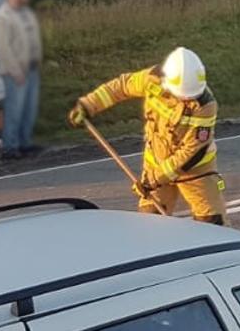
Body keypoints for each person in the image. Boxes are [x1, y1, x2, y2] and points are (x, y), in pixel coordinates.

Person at [68, 48, 228, 225]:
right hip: (156, 165)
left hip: (195, 172)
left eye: (190, 97)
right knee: (151, 225)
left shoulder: (205, 105)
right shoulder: (152, 79)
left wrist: (153, 180)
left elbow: (191, 153)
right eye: (182, 96)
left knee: (213, 223)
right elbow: (121, 87)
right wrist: (88, 105)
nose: (186, 100)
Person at [0, 0, 43, 159]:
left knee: (29, 108)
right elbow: (4, 48)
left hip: (31, 68)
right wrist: (15, 71)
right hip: (15, 72)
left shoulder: (25, 14)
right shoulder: (3, 17)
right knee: (14, 109)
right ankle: (10, 146)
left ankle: (24, 142)